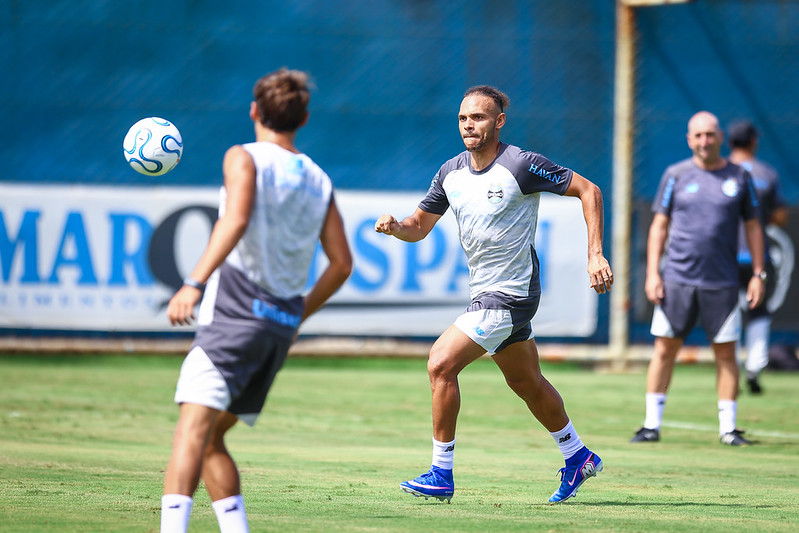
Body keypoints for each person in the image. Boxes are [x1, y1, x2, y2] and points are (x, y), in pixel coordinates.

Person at [375, 85, 613, 504]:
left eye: (479, 117)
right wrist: (397, 227)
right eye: (464, 118)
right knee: (526, 382)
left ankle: (440, 472)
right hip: (486, 293)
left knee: (440, 364)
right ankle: (577, 455)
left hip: (511, 295)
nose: (470, 125)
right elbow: (418, 225)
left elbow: (589, 191)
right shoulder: (451, 171)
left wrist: (594, 254)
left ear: (498, 122)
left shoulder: (521, 165)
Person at [160, 68, 352, 533]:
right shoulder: (318, 178)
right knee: (209, 439)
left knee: (190, 430)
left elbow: (236, 219)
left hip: (233, 314)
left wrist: (193, 281)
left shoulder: (242, 157)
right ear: (303, 117)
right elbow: (342, 264)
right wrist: (298, 312)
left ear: (253, 110)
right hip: (277, 327)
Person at [630, 111, 766, 447]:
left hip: (722, 282)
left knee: (726, 353)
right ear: (689, 139)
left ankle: (728, 429)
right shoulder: (675, 175)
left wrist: (759, 274)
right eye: (697, 135)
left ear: (720, 137)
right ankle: (651, 425)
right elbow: (659, 225)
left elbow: (753, 226)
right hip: (676, 279)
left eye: (709, 134)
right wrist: (652, 273)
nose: (704, 141)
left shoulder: (740, 177)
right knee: (664, 349)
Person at [727, 120, 789, 394]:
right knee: (759, 311)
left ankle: (728, 368)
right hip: (756, 255)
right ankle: (754, 366)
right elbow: (780, 216)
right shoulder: (766, 173)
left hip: (724, 254)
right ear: (753, 141)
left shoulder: (721, 171)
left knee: (726, 312)